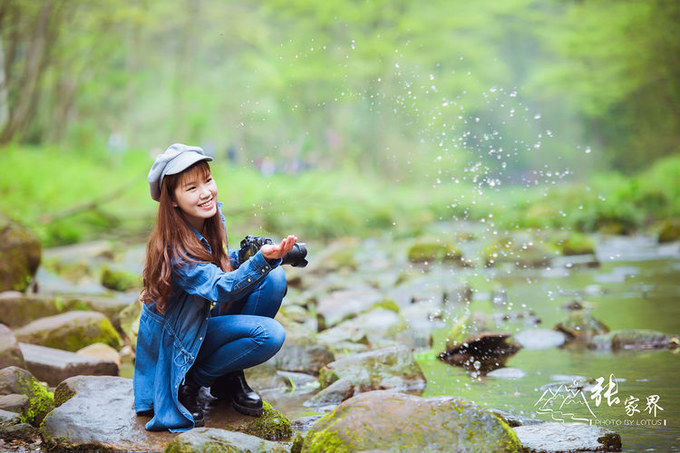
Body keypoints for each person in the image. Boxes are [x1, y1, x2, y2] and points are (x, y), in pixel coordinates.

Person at [133, 143, 297, 432]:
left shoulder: (208, 220)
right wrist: (259, 262)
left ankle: (227, 376)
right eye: (192, 188)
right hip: (178, 342)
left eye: (207, 180)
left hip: (197, 322)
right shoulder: (175, 248)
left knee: (274, 279)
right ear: (171, 199)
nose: (206, 192)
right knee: (270, 335)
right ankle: (191, 382)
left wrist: (252, 255)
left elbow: (219, 265)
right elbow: (219, 287)